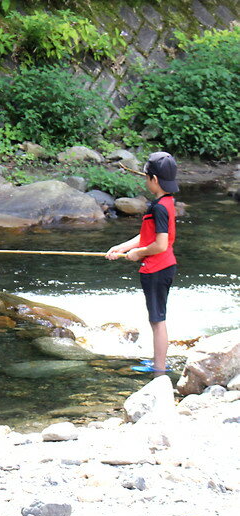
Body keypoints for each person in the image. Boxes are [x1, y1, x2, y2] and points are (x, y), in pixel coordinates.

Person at [106, 151, 178, 374]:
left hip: (158, 268)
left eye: (146, 178)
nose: (145, 181)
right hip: (161, 267)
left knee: (157, 320)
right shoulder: (166, 203)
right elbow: (147, 236)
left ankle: (159, 368)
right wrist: (123, 247)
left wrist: (138, 253)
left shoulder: (158, 207)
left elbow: (160, 244)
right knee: (156, 318)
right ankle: (158, 362)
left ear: (154, 180)